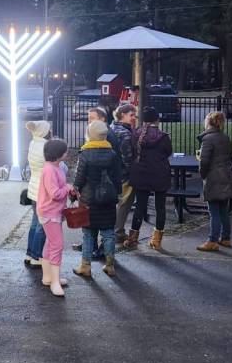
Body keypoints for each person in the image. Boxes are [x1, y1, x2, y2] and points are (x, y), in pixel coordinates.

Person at [72, 121, 123, 279]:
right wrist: (118, 193)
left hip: (89, 200)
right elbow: (117, 177)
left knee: (88, 234)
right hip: (108, 199)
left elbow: (79, 179)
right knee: (108, 233)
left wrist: (74, 191)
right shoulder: (112, 154)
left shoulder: (84, 154)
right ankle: (109, 265)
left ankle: (85, 266)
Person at [126, 107, 173, 251]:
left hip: (141, 173)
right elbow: (168, 152)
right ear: (157, 119)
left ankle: (133, 237)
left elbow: (133, 152)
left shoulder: (136, 134)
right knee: (160, 207)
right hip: (160, 173)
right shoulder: (163, 136)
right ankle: (156, 239)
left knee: (140, 205)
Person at [37, 138, 74, 296]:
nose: (67, 153)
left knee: (50, 244)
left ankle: (48, 277)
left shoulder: (53, 167)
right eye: (64, 151)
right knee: (57, 246)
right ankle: (55, 282)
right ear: (57, 154)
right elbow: (55, 194)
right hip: (50, 212)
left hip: (51, 212)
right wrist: (67, 188)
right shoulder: (51, 170)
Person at [195, 111, 232, 252]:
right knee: (223, 209)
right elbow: (231, 155)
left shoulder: (207, 139)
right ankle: (226, 238)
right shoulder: (225, 137)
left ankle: (212, 240)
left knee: (214, 211)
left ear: (208, 122)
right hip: (225, 176)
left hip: (213, 178)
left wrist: (202, 174)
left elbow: (204, 161)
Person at [23, 120, 50, 268]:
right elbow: (53, 166)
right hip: (43, 190)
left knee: (34, 223)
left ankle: (29, 253)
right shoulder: (45, 147)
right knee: (42, 225)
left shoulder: (34, 143)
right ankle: (36, 256)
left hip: (34, 188)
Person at [111, 105, 136, 244]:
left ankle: (114, 231)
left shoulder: (112, 127)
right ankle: (118, 232)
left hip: (114, 172)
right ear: (122, 115)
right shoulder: (125, 133)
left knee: (118, 202)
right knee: (125, 203)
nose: (134, 118)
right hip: (125, 174)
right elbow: (128, 157)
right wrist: (130, 172)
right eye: (131, 115)